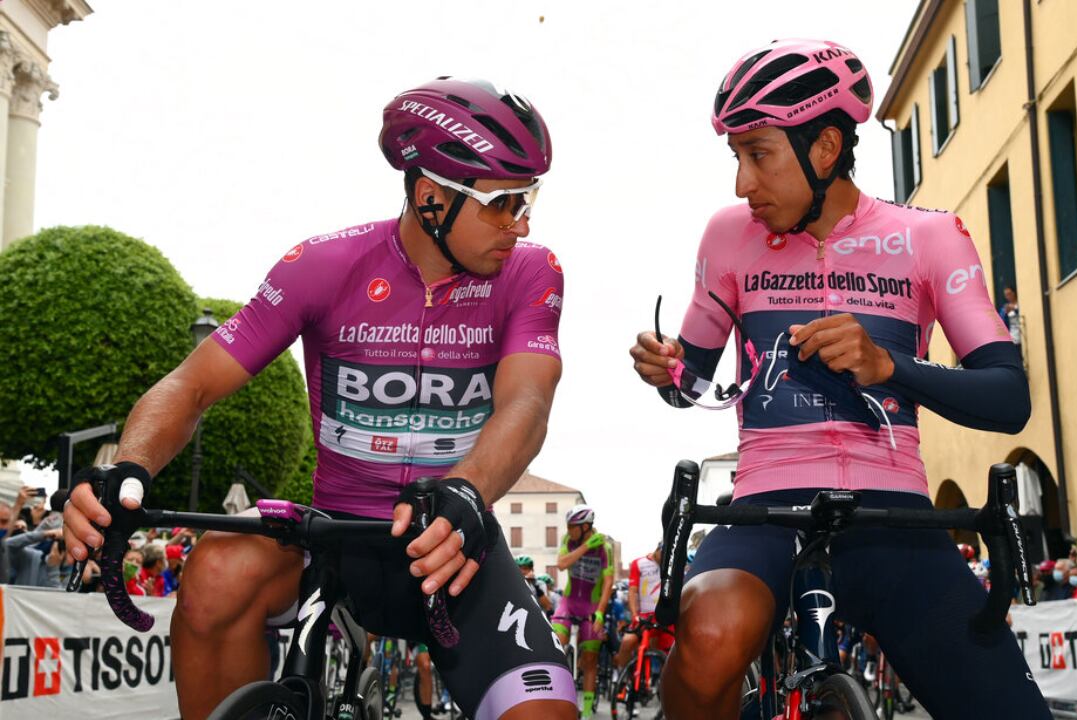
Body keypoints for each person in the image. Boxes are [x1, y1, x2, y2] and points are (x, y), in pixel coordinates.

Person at [63, 77, 575, 719]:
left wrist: (468, 488)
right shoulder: (323, 265)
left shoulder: (532, 271)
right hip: (336, 541)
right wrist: (125, 470)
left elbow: (526, 403)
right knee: (217, 575)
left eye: (529, 199)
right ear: (430, 198)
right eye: (502, 202)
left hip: (456, 543)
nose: (521, 221)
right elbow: (190, 384)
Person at [628, 39, 1048, 719]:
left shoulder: (929, 236)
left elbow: (1009, 398)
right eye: (736, 158)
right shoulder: (727, 237)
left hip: (896, 516)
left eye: (757, 154)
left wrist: (891, 367)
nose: (742, 184)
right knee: (708, 635)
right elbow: (690, 385)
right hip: (766, 506)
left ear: (825, 148)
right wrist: (666, 367)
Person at [553, 504, 615, 718]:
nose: (569, 530)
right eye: (568, 526)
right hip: (568, 603)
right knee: (555, 645)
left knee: (590, 659)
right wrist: (586, 546)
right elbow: (561, 564)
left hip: (591, 606)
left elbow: (608, 583)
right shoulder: (568, 541)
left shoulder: (605, 548)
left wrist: (600, 612)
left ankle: (587, 710)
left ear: (586, 526)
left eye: (573, 526)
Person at [615, 544, 673, 673]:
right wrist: (635, 614)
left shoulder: (672, 564)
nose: (665, 559)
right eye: (663, 554)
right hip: (646, 615)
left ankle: (661, 685)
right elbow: (632, 591)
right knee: (627, 642)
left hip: (665, 615)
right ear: (657, 550)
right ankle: (622, 676)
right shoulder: (639, 563)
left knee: (670, 656)